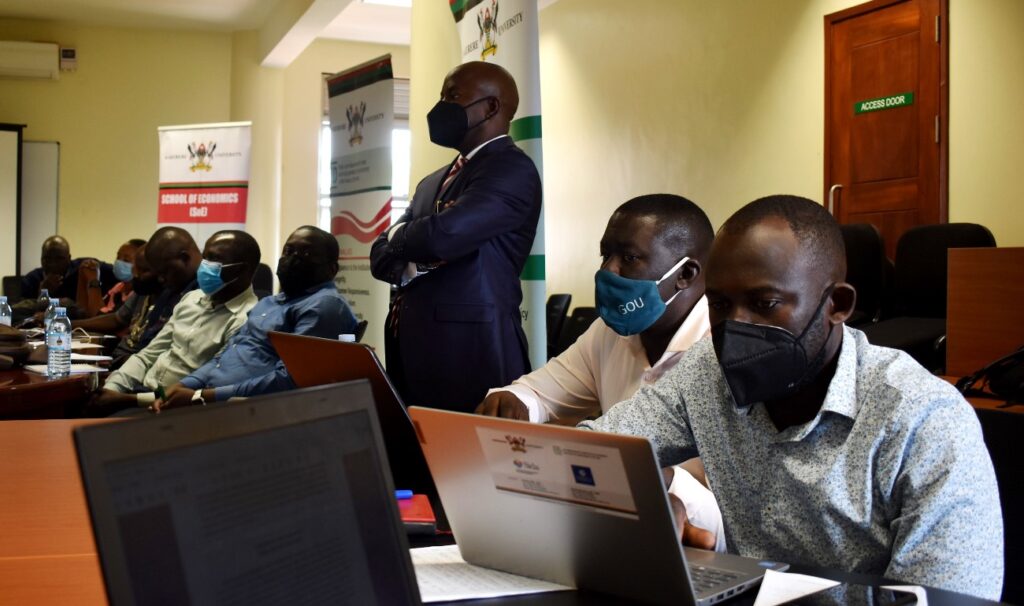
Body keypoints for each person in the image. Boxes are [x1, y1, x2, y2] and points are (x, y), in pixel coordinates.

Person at [580, 195, 1003, 598]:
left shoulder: (923, 421)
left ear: (837, 304)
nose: (734, 328)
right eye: (721, 304)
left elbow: (948, 598)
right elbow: (590, 449)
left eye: (765, 304)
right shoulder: (706, 373)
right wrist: (643, 501)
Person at [477, 193, 725, 550]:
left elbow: (739, 507)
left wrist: (663, 484)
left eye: (629, 257)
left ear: (685, 274)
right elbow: (542, 393)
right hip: (604, 526)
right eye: (605, 254)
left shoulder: (722, 350)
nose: (608, 270)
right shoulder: (610, 333)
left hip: (695, 543)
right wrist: (514, 401)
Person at [370, 61, 542, 413]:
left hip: (471, 355)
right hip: (411, 351)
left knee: (472, 464)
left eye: (452, 96)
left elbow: (443, 235)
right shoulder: (432, 181)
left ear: (491, 107)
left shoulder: (511, 169)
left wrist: (403, 235)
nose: (441, 106)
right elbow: (379, 253)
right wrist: (411, 247)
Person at [154, 226, 358, 409]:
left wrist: (203, 396)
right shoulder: (270, 302)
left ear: (332, 269)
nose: (293, 258)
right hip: (213, 400)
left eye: (305, 253)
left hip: (252, 410)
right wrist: (186, 384)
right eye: (288, 251)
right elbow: (224, 356)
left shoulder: (325, 305)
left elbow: (290, 379)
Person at [91, 229, 260, 412]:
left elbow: (204, 389)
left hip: (173, 408)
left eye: (213, 259)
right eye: (205, 257)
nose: (204, 265)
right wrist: (112, 388)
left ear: (242, 269)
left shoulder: (246, 319)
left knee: (96, 432)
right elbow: (148, 355)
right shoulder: (191, 299)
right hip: (140, 389)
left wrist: (128, 399)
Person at [73, 244, 164, 364]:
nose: (136, 274)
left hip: (130, 362)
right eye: (136, 268)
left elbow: (97, 314)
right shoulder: (140, 291)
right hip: (118, 357)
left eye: (143, 270)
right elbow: (116, 318)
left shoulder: (168, 301)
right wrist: (70, 324)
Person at [20, 235, 116, 302]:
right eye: (47, 258)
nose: (52, 264)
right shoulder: (31, 280)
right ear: (41, 258)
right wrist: (41, 295)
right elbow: (19, 312)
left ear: (69, 258)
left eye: (59, 259)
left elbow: (117, 274)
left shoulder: (83, 268)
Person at [93, 238, 148, 316]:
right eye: (118, 257)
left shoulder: (139, 294)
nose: (119, 262)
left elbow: (112, 319)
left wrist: (93, 281)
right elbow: (98, 312)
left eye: (126, 260)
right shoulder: (117, 288)